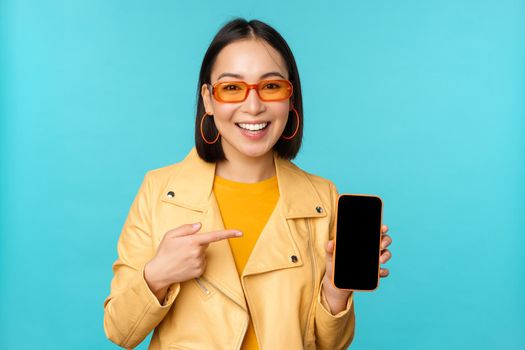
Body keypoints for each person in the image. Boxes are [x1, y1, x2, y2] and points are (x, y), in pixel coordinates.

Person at [103, 18, 393, 350]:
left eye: (271, 86)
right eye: (231, 88)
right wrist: (157, 276)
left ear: (290, 98)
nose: (253, 106)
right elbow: (120, 331)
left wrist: (335, 289)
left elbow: (331, 344)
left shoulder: (322, 199)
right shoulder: (159, 191)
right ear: (208, 100)